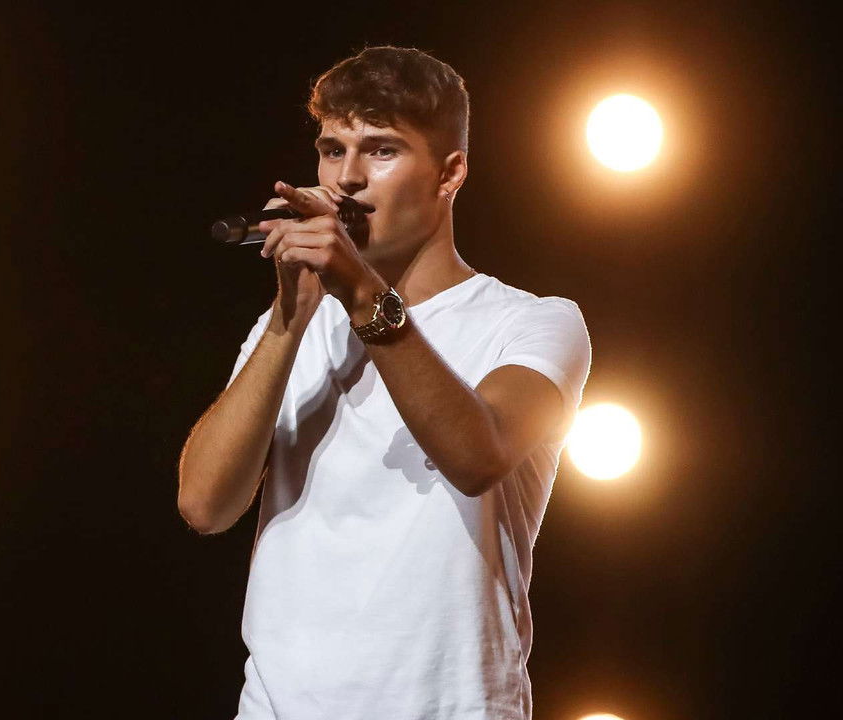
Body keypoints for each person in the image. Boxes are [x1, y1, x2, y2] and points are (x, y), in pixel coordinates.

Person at [177, 46, 593, 719]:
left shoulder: (533, 322)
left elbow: (477, 456)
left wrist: (363, 294)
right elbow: (204, 505)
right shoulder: (292, 322)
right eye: (332, 150)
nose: (347, 178)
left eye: (381, 150)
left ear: (450, 172)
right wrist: (288, 319)